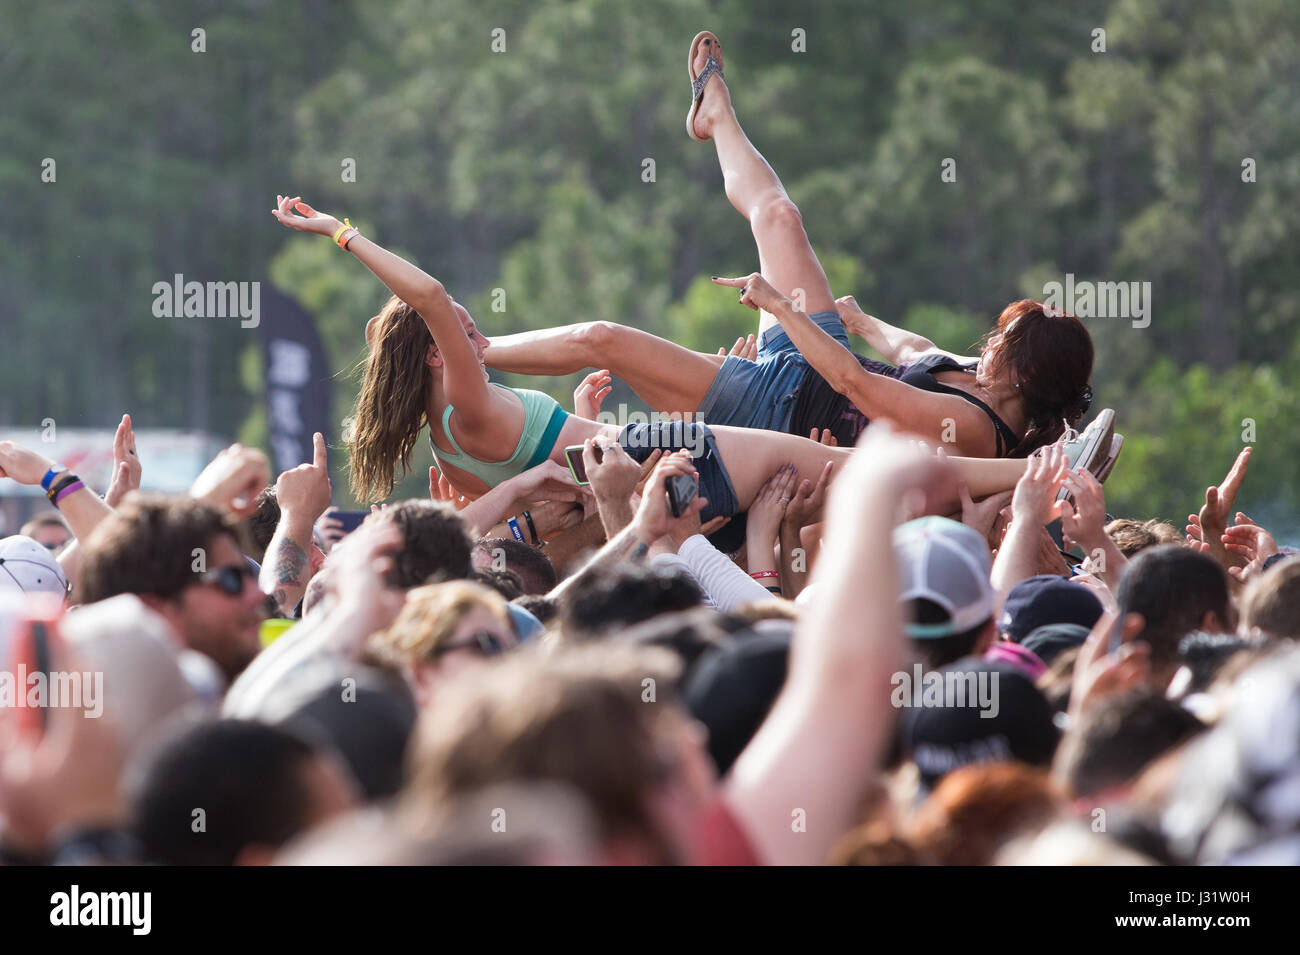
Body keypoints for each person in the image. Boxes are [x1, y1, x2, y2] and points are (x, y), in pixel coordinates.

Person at [482, 32, 1105, 463]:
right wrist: (857, 319)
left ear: (1026, 370)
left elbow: (857, 384)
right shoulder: (976, 381)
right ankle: (714, 113)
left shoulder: (977, 428)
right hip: (817, 353)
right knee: (780, 217)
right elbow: (912, 350)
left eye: (1005, 341)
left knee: (604, 339)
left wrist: (784, 310)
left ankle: (478, 351)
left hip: (778, 411)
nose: (990, 342)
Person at [268, 196, 1089, 521]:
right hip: (670, 459)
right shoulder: (468, 401)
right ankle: (1044, 476)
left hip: (654, 467)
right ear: (436, 357)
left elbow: (562, 492)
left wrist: (595, 420)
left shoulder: (451, 439)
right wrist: (342, 233)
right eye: (459, 336)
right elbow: (434, 295)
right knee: (850, 472)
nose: (473, 335)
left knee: (844, 476)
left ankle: (1036, 483)